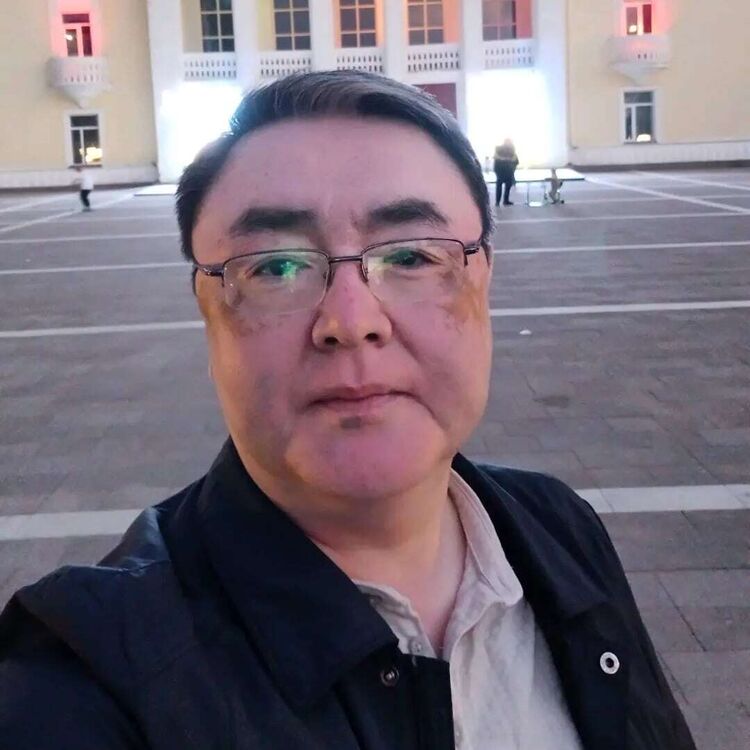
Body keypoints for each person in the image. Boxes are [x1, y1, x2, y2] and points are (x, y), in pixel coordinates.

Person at [0, 71, 695, 750]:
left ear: (482, 281)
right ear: (207, 310)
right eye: (274, 267)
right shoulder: (88, 671)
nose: (352, 321)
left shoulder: (559, 529)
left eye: (412, 256)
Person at [493, 138, 518, 207]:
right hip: (500, 170)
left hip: (508, 170)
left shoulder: (512, 149)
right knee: (499, 186)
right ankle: (498, 201)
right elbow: (495, 156)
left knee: (507, 186)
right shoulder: (498, 148)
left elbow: (514, 158)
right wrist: (506, 159)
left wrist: (504, 159)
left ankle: (505, 200)